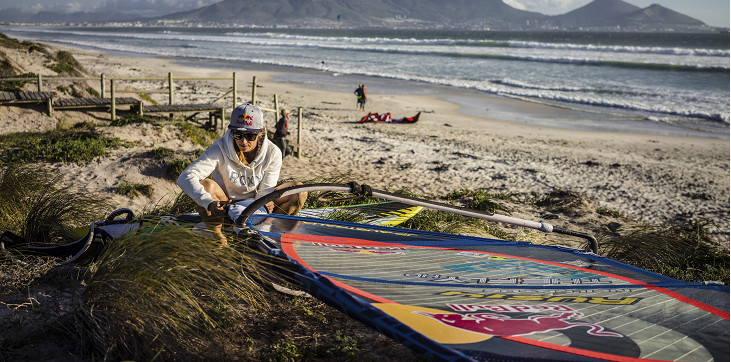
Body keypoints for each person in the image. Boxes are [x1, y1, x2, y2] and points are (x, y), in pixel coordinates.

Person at [177, 103, 307, 245]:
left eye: (250, 136)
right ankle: (219, 239)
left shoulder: (273, 152)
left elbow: (264, 194)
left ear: (261, 132)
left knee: (299, 191)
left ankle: (270, 234)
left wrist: (265, 207)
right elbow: (185, 177)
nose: (243, 141)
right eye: (237, 134)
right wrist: (209, 203)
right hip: (225, 205)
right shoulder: (219, 147)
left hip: (258, 204)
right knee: (206, 185)